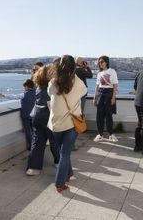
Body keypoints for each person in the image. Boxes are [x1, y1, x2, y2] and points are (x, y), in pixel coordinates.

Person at [48, 55, 87, 193]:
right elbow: (84, 94)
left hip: (55, 124)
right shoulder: (79, 83)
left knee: (63, 151)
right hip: (71, 123)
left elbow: (49, 94)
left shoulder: (53, 82)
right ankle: (59, 183)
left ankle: (68, 173)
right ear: (74, 67)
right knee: (65, 153)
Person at [26, 65, 60, 176]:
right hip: (48, 116)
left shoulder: (39, 86)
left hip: (37, 115)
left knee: (37, 141)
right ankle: (58, 161)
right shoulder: (52, 86)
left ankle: (33, 167)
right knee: (54, 140)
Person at [0, 79, 36, 150]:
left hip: (26, 115)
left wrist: (4, 95)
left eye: (24, 87)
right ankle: (35, 145)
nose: (24, 88)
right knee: (33, 131)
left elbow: (14, 97)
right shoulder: (36, 93)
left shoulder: (24, 94)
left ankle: (31, 146)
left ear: (27, 86)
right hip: (33, 115)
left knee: (28, 131)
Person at [93, 55, 119, 142]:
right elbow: (97, 86)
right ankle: (99, 134)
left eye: (102, 62)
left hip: (109, 93)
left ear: (106, 62)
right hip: (100, 94)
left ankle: (111, 134)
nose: (100, 64)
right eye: (99, 62)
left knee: (109, 115)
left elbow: (115, 85)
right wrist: (94, 97)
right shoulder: (99, 73)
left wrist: (113, 97)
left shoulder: (112, 71)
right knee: (99, 116)